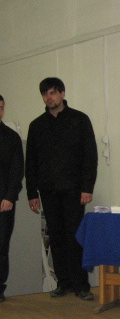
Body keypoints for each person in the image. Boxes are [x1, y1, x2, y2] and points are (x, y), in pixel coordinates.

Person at [26, 77, 98, 301]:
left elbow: (90, 156)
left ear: (62, 94)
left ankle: (81, 285)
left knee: (75, 237)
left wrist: (87, 187)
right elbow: (31, 162)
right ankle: (63, 283)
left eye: (53, 92)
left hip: (74, 191)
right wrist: (31, 193)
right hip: (48, 190)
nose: (49, 97)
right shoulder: (36, 126)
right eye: (45, 94)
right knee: (56, 237)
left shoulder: (80, 120)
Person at [0, 96, 24, 303]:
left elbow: (17, 171)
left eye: (1, 108)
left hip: (3, 202)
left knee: (1, 246)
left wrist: (9, 196)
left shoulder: (11, 138)